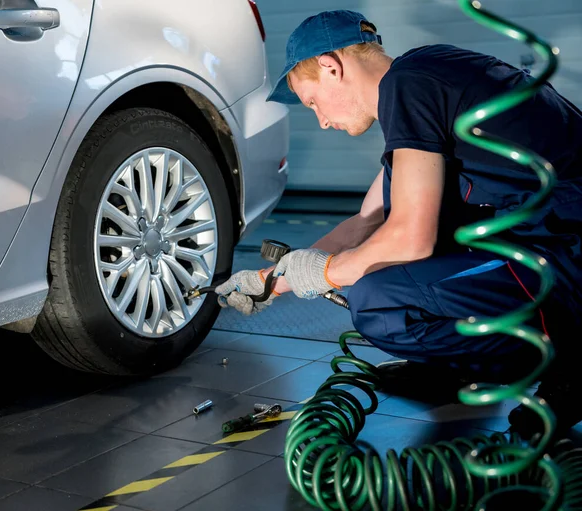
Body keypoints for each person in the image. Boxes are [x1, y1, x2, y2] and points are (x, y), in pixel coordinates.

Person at [214, 10, 582, 439]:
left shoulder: (408, 85)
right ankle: (455, 367)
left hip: (563, 258)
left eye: (313, 102)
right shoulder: (426, 78)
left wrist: (320, 273)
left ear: (331, 68)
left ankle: (570, 363)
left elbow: (409, 238)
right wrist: (273, 279)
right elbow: (370, 219)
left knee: (378, 301)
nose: (322, 121)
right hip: (550, 247)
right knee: (383, 262)